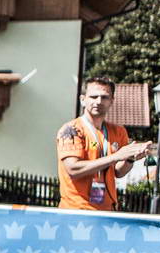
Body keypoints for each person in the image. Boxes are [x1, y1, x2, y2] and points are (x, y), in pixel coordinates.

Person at [57, 76, 149, 211]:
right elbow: (73, 169)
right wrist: (116, 156)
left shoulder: (119, 131)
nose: (99, 101)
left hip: (107, 210)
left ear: (112, 101)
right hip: (75, 210)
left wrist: (130, 158)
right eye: (93, 97)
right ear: (83, 100)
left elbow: (118, 172)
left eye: (104, 97)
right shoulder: (71, 130)